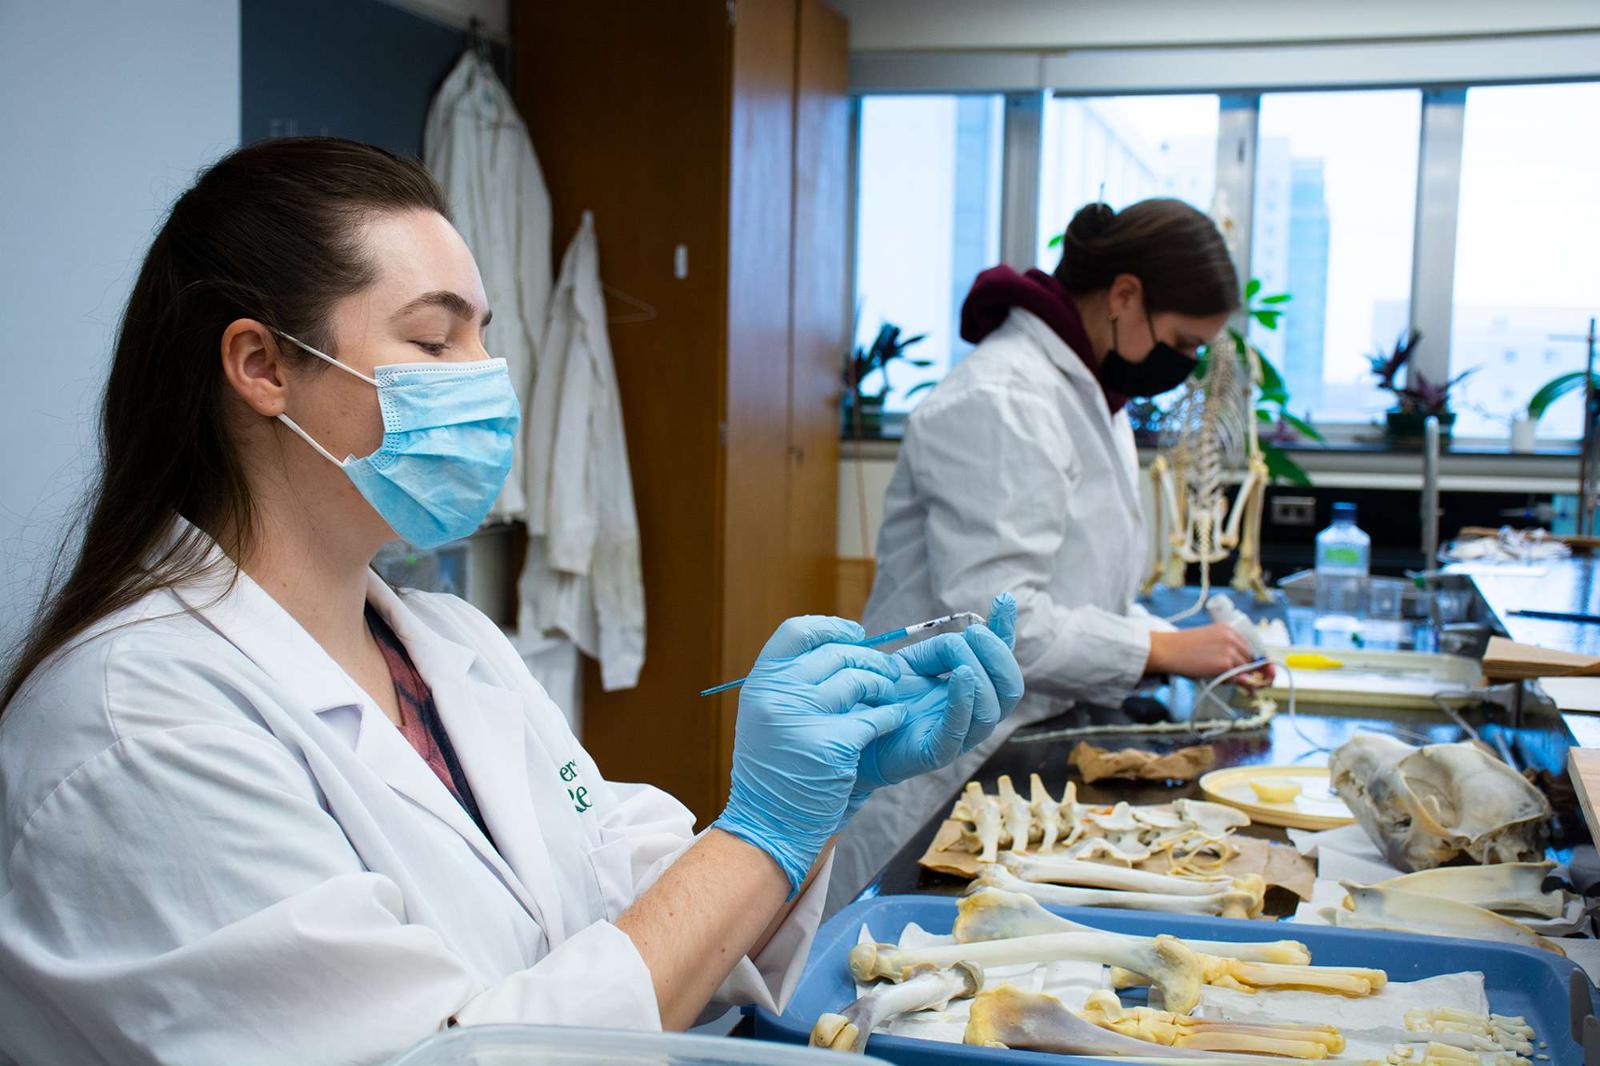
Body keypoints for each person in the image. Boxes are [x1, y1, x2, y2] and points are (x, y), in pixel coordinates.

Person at [0, 138, 1023, 1066]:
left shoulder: (446, 645)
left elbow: (624, 888)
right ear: (262, 366)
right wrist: (763, 831)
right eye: (436, 344)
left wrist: (813, 806)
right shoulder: (139, 723)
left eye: (484, 339)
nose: (488, 379)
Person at [829, 198, 1257, 912]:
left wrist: (1178, 640)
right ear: (1124, 296)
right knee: (865, 958)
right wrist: (1165, 649)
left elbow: (1079, 593)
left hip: (1011, 733)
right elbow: (1001, 623)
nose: (1185, 366)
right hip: (937, 748)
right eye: (1182, 343)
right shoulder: (1001, 400)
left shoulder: (1089, 392)